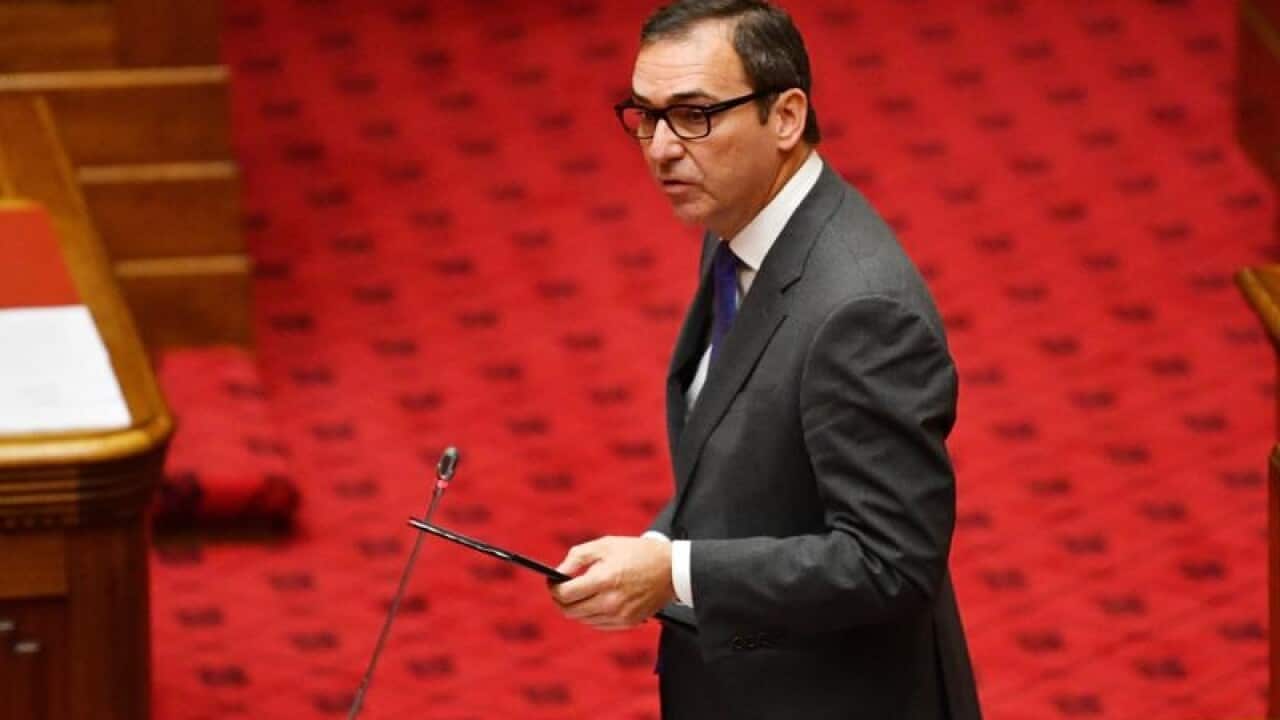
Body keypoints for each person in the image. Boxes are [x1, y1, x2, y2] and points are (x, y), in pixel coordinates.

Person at [547, 1, 982, 718]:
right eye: (646, 116)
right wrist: (659, 541)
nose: (661, 148)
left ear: (784, 117)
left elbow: (891, 563)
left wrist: (676, 572)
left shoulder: (862, 312)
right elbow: (741, 444)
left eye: (694, 115)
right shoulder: (739, 223)